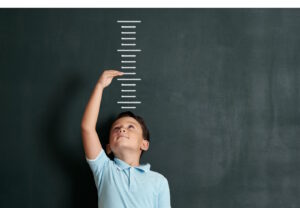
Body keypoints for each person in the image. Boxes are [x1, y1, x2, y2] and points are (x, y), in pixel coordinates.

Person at [81, 69, 171, 208]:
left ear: (144, 144)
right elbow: (87, 128)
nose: (122, 129)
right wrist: (99, 86)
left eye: (131, 127)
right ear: (108, 148)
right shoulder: (104, 169)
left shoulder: (159, 181)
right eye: (116, 128)